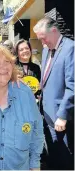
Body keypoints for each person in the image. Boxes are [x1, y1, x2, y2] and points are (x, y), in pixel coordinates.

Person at [0, 45, 44, 170]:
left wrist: (35, 164)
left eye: (8, 62)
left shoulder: (25, 93)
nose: (4, 67)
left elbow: (36, 130)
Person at [33, 17, 74, 170]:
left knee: (65, 159)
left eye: (43, 39)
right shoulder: (45, 50)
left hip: (61, 119)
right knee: (54, 156)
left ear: (54, 31)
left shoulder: (70, 48)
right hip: (47, 115)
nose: (42, 43)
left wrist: (62, 116)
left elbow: (72, 86)